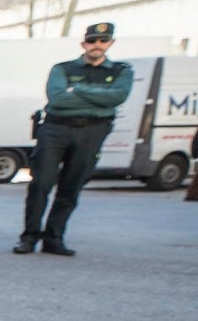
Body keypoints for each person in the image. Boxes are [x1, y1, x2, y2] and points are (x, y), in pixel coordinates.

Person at [15, 21, 134, 256]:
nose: (96, 45)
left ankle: (54, 238)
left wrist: (78, 91)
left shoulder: (120, 71)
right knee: (41, 183)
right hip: (56, 128)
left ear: (110, 43)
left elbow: (117, 97)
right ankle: (29, 237)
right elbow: (57, 99)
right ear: (84, 43)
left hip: (92, 131)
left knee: (72, 186)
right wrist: (99, 97)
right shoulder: (64, 68)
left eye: (102, 40)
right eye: (92, 41)